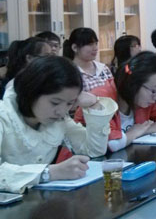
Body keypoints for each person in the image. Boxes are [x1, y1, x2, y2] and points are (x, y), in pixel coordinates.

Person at [0, 56, 114, 193]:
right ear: (31, 91)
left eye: (70, 103)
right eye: (55, 102)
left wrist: (94, 104)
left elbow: (94, 150)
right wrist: (49, 173)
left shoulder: (58, 120)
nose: (61, 111)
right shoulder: (4, 115)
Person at [75, 52, 156, 152]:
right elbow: (109, 143)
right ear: (134, 84)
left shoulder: (142, 101)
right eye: (153, 91)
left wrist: (145, 130)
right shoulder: (101, 100)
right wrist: (134, 133)